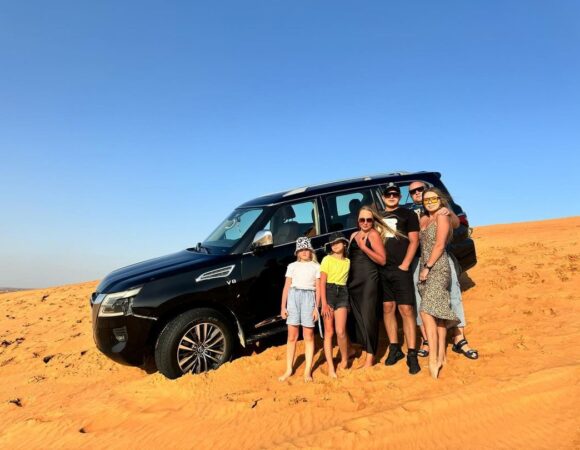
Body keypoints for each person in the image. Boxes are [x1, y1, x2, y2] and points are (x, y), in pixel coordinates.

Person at [408, 181, 478, 360]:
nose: (417, 193)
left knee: (452, 296)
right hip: (417, 260)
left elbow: (455, 223)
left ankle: (459, 338)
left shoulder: (441, 208)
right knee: (420, 300)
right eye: (412, 191)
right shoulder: (413, 212)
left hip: (439, 260)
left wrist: (448, 212)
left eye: (420, 190)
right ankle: (427, 340)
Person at [418, 188, 460, 378]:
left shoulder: (442, 216)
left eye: (433, 198)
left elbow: (440, 245)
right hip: (425, 266)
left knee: (426, 311)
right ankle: (442, 355)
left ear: (440, 200)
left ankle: (433, 359)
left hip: (437, 267)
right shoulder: (423, 219)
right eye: (427, 200)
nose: (430, 202)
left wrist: (427, 267)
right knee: (439, 313)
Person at [380, 182, 421, 375]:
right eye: (388, 194)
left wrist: (405, 264)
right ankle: (394, 347)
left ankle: (412, 352)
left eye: (395, 194)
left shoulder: (408, 214)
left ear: (399, 196)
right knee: (388, 307)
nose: (392, 196)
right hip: (383, 269)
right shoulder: (377, 216)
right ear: (383, 197)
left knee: (406, 308)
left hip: (401, 268)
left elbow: (414, 240)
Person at [348, 206, 387, 368]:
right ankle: (365, 349)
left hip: (368, 280)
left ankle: (370, 358)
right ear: (358, 221)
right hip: (353, 281)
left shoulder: (373, 235)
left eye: (369, 220)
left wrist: (364, 248)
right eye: (362, 220)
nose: (365, 223)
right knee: (358, 317)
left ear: (373, 221)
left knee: (369, 317)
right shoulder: (353, 235)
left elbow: (382, 260)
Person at [279, 237, 321, 382]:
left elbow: (318, 290)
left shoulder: (316, 267)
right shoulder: (292, 266)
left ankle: (307, 370)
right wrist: (283, 307)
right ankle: (289, 369)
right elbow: (286, 287)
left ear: (310, 251)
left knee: (308, 335)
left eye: (306, 249)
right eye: (301, 250)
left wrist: (316, 308)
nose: (304, 252)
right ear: (297, 252)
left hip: (309, 298)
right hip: (293, 297)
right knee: (292, 336)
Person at [320, 232, 351, 378]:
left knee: (340, 330)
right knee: (329, 331)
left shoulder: (348, 262)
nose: (335, 245)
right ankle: (331, 367)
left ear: (344, 243)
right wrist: (324, 303)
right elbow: (322, 282)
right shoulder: (326, 259)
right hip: (329, 292)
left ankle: (345, 359)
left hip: (343, 292)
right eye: (332, 243)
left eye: (338, 242)